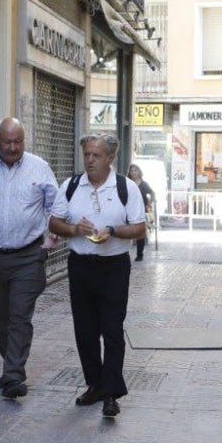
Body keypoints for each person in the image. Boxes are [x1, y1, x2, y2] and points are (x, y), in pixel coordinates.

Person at [49, 133, 146, 418]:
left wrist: (113, 231)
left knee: (112, 330)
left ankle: (112, 393)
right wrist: (74, 230)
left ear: (110, 158)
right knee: (85, 331)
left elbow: (139, 228)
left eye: (96, 155)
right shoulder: (70, 186)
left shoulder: (125, 188)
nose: (90, 160)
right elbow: (54, 222)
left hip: (114, 267)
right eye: (87, 155)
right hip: (80, 266)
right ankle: (95, 384)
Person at [0, 117, 58, 399]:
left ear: (24, 141)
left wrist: (52, 235)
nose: (13, 147)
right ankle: (10, 366)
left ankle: (14, 374)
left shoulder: (39, 167)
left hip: (28, 255)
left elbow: (55, 205)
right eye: (8, 142)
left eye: (18, 142)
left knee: (19, 316)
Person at [126, 164, 155, 261]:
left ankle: (139, 254)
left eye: (135, 170)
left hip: (141, 210)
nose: (134, 172)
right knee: (126, 231)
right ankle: (124, 252)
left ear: (139, 172)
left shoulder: (143, 184)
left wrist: (149, 204)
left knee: (140, 232)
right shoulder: (127, 183)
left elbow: (152, 193)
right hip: (129, 209)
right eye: (132, 171)